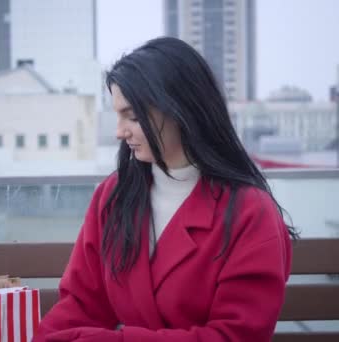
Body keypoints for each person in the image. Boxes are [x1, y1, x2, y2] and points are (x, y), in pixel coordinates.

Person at [32, 37, 297, 342]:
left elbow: (235, 335)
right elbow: (81, 304)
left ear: (179, 109)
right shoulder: (113, 196)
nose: (119, 132)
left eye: (132, 116)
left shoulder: (251, 212)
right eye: (118, 116)